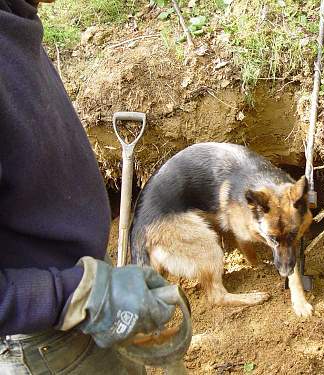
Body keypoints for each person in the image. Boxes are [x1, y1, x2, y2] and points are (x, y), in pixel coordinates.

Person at [0, 1, 187, 373]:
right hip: (44, 342)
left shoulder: (16, 16)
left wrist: (93, 282)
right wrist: (78, 294)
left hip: (77, 294)